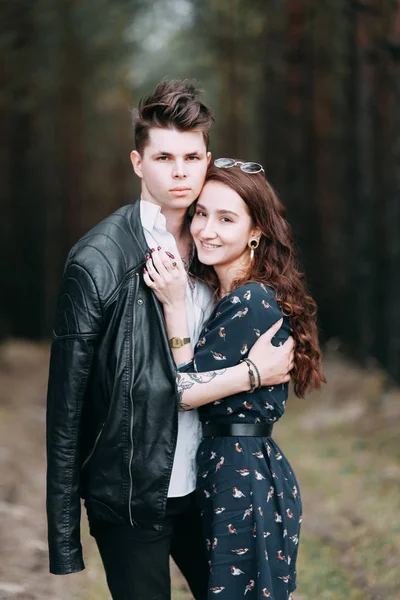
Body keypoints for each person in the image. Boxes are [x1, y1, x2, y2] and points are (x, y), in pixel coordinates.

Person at [46, 81, 295, 600]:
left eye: (191, 156)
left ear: (208, 158)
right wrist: (64, 533)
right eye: (164, 157)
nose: (180, 172)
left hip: (209, 483)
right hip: (133, 494)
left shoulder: (215, 254)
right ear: (138, 162)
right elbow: (66, 408)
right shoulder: (98, 261)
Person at [144, 158, 326, 599]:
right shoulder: (222, 294)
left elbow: (182, 392)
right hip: (228, 466)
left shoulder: (251, 302)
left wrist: (173, 309)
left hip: (242, 475)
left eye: (226, 218)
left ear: (256, 232)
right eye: (202, 213)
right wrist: (251, 374)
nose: (207, 229)